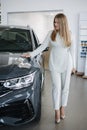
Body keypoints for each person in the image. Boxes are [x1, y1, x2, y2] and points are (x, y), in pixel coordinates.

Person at [22, 13, 76, 124]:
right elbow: (42, 46)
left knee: (65, 88)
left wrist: (74, 66)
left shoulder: (70, 34)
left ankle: (63, 108)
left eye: (57, 22)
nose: (55, 24)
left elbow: (72, 51)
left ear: (63, 23)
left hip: (67, 64)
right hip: (54, 64)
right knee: (56, 88)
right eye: (54, 22)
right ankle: (56, 111)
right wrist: (31, 54)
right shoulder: (51, 34)